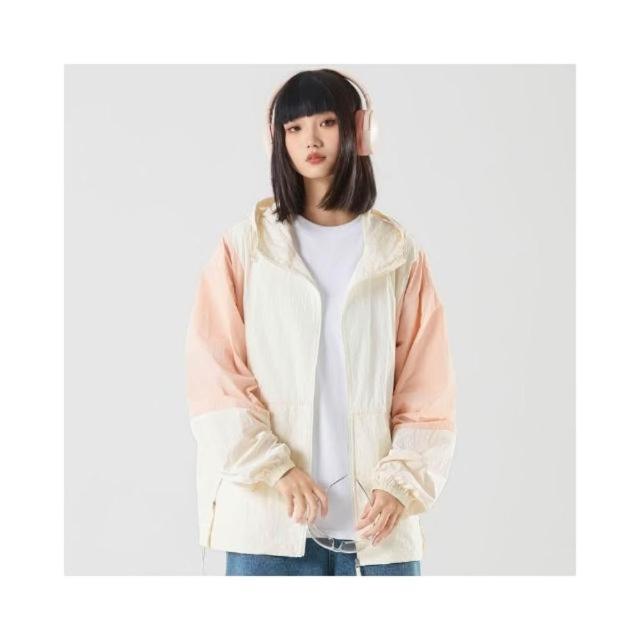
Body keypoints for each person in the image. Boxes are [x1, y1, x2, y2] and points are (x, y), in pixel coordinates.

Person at [185, 68, 457, 576]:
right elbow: (215, 383)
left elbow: (427, 395)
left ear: (359, 130)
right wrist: (277, 469)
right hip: (270, 526)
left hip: (378, 531)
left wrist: (400, 485)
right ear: (277, 140)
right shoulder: (244, 249)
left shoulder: (398, 255)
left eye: (326, 122)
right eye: (294, 128)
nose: (310, 140)